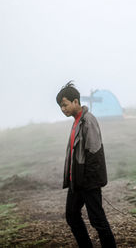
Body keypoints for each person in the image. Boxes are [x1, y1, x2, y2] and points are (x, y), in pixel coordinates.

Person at [56, 81, 117, 248]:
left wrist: (89, 181)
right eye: (61, 107)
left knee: (97, 220)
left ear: (76, 101)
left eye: (65, 105)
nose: (63, 109)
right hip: (77, 181)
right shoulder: (76, 121)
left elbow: (95, 153)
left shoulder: (88, 121)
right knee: (72, 216)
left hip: (88, 182)